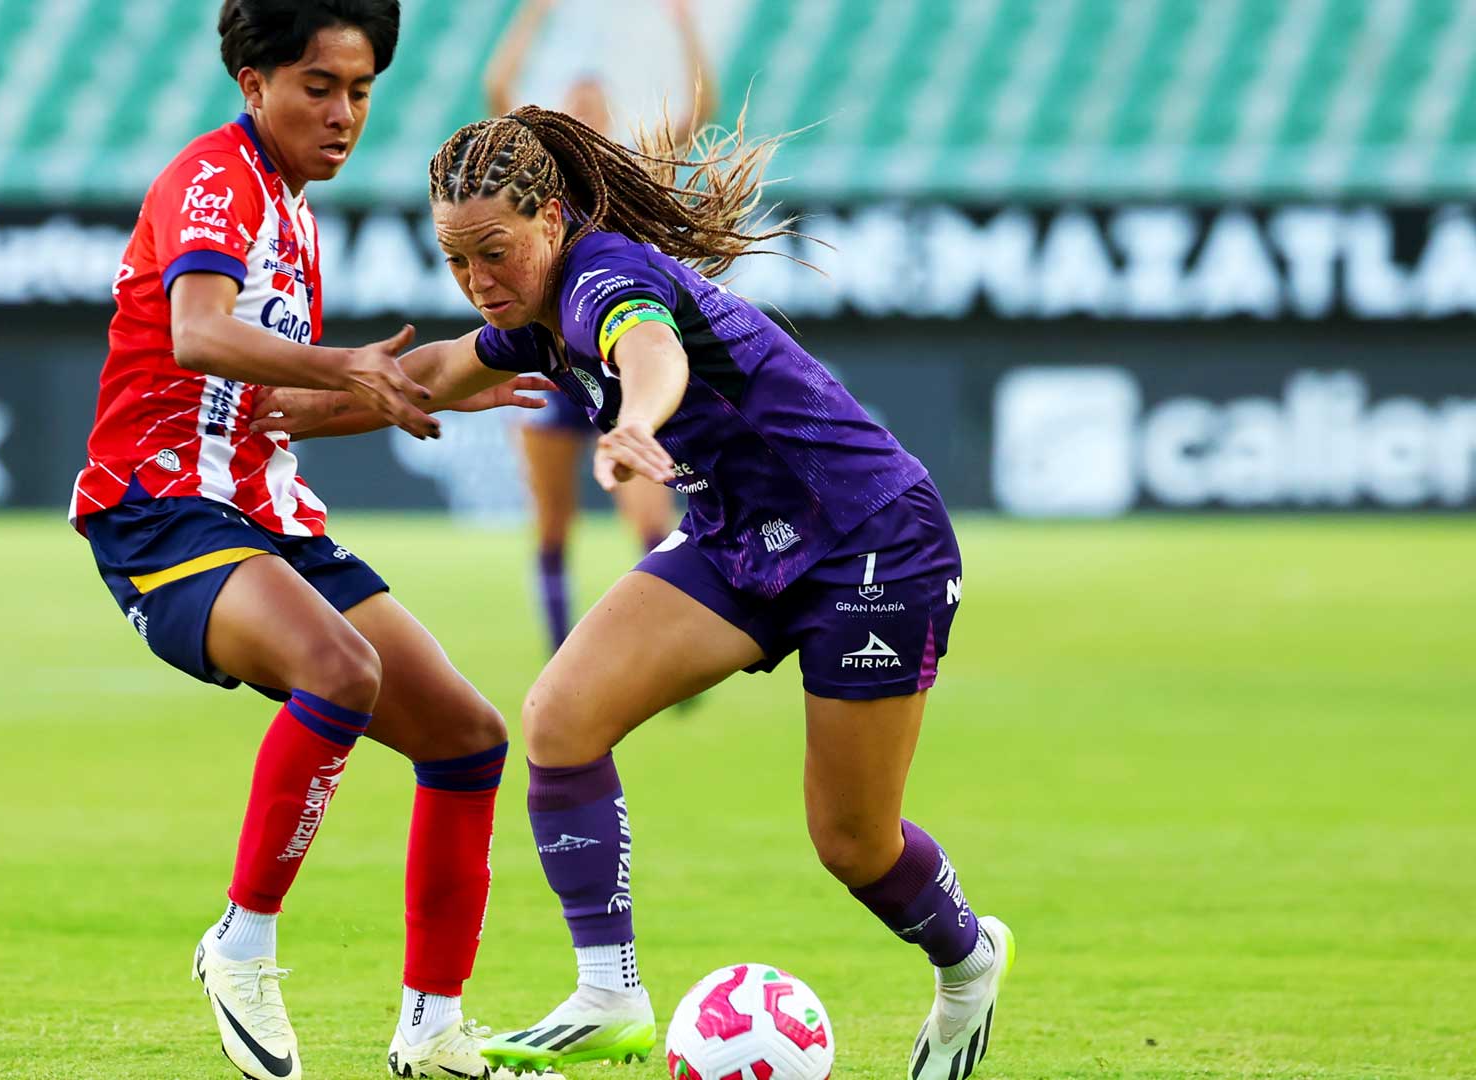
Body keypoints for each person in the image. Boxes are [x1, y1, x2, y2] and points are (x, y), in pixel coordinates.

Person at [252, 104, 1015, 1080]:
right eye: (456, 261)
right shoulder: (532, 317)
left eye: (494, 252)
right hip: (744, 541)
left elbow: (652, 350)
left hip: (870, 540)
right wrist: (260, 420)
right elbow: (431, 372)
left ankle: (969, 963)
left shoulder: (605, 280)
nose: (479, 281)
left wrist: (633, 423)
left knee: (852, 841)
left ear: (553, 220)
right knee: (560, 718)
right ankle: (610, 993)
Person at [68, 4, 552, 1077]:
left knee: (468, 739)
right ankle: (240, 945)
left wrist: (404, 396)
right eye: (317, 87)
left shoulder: (292, 211)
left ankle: (432, 1030)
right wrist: (348, 366)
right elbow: (197, 336)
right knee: (342, 667)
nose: (343, 115)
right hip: (159, 513)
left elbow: (271, 413)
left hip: (264, 512)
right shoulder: (215, 181)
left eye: (361, 91)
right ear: (253, 84)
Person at [483, 0, 715, 652]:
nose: (587, 109)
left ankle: (667, 647)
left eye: (595, 101)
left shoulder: (628, 172)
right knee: (553, 526)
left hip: (617, 372)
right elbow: (498, 91)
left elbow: (700, 111)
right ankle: (561, 651)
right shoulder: (539, 177)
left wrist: (685, 25)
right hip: (555, 372)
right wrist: (532, 16)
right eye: (575, 101)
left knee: (652, 519)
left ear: (610, 115)